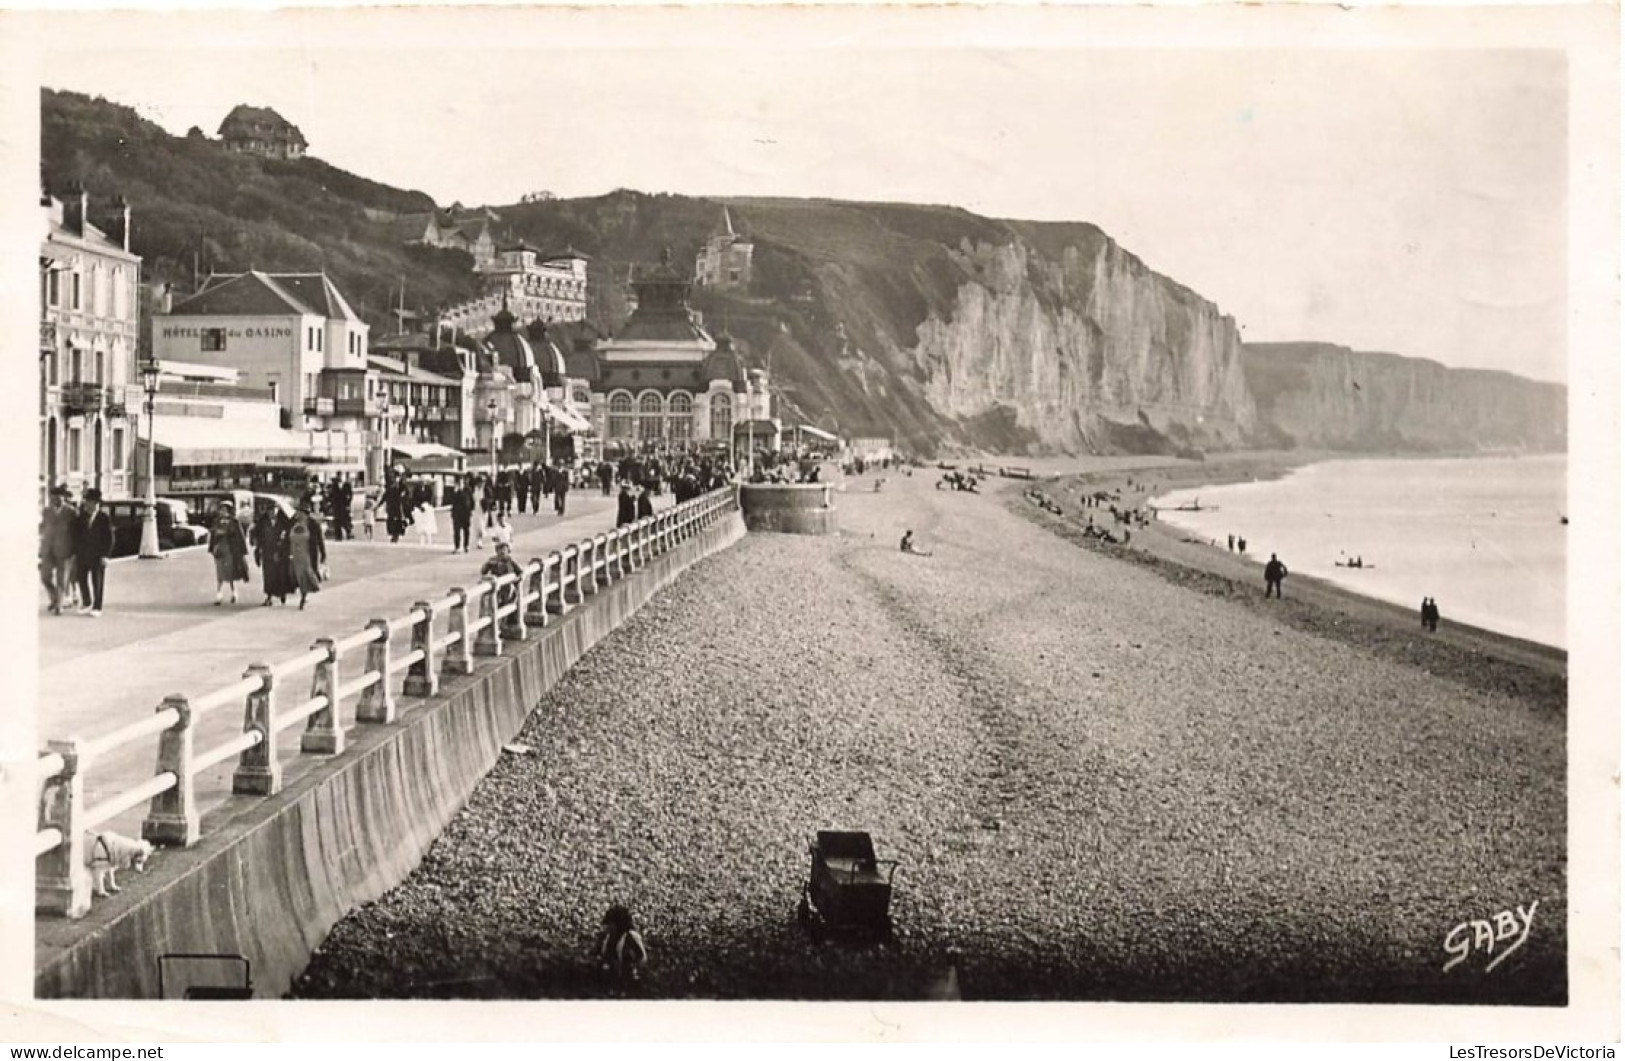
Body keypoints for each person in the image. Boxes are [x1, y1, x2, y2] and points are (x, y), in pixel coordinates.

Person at [73, 488, 114, 617]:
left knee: (97, 581)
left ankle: (97, 607)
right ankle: (86, 602)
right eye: (87, 502)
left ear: (97, 504)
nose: (88, 505)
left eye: (91, 502)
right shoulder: (82, 517)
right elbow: (76, 535)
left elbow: (109, 538)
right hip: (83, 554)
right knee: (81, 578)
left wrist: (106, 555)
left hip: (98, 555)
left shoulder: (103, 518)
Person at [39, 485, 79, 616]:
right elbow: (43, 528)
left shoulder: (71, 512)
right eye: (54, 497)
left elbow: (77, 532)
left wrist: (75, 551)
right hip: (48, 550)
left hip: (65, 550)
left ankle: (59, 605)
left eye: (59, 497)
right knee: (45, 577)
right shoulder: (46, 511)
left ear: (64, 498)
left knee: (62, 580)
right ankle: (55, 597)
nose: (57, 500)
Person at [208, 500, 252, 606]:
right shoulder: (216, 521)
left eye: (224, 509)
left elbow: (239, 536)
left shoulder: (234, 522)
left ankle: (234, 592)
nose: (222, 512)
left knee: (230, 572)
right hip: (219, 550)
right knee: (219, 572)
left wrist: (242, 550)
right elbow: (213, 535)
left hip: (230, 549)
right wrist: (212, 548)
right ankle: (219, 594)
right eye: (221, 509)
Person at [288, 499, 327, 610]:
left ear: (304, 513)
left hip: (307, 555)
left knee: (305, 576)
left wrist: (323, 554)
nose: (297, 514)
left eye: (299, 512)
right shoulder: (292, 522)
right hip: (294, 554)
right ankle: (301, 592)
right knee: (296, 576)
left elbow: (320, 540)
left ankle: (303, 597)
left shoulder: (313, 524)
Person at [254, 506, 294, 606]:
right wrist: (258, 550)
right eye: (270, 511)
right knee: (268, 575)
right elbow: (258, 537)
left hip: (280, 553)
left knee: (281, 574)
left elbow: (286, 538)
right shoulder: (263, 523)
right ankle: (269, 597)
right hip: (267, 552)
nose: (271, 512)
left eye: (273, 510)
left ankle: (282, 593)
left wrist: (281, 551)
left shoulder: (283, 523)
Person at [480, 540, 525, 612]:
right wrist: (488, 564)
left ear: (508, 551)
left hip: (509, 587)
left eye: (504, 549)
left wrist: (517, 579)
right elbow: (483, 572)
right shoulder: (493, 561)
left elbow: (521, 572)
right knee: (495, 605)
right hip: (497, 587)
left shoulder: (510, 561)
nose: (502, 552)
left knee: (508, 605)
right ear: (496, 551)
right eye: (499, 550)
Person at [449, 477, 475, 553]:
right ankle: (457, 547)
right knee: (456, 531)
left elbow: (472, 501)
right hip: (457, 514)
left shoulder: (468, 490)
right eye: (458, 483)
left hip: (466, 514)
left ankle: (466, 545)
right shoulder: (454, 491)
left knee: (466, 530)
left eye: (461, 482)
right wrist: (455, 492)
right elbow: (451, 500)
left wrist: (470, 511)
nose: (460, 484)